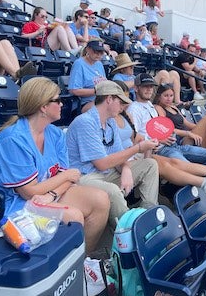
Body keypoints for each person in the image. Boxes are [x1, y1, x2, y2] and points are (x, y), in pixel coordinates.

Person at [0, 77, 110, 253]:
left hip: (43, 194)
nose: (62, 104)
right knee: (74, 216)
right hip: (7, 203)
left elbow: (70, 179)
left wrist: (52, 194)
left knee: (101, 200)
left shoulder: (55, 134)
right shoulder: (13, 139)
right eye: (57, 100)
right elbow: (28, 192)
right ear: (43, 106)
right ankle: (68, 267)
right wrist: (66, 176)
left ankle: (84, 260)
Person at [114, 80, 206, 201]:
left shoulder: (143, 109)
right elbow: (133, 144)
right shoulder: (139, 110)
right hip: (156, 149)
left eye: (171, 95)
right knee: (175, 163)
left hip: (162, 147)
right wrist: (155, 142)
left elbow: (140, 138)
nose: (125, 105)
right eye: (166, 95)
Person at [66, 80, 160, 228]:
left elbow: (119, 155)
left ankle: (149, 216)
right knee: (114, 191)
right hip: (84, 178)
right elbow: (101, 163)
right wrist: (138, 148)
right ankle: (130, 231)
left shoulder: (110, 122)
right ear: (109, 99)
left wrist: (126, 169)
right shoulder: (84, 122)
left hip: (105, 174)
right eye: (120, 101)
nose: (123, 106)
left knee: (150, 164)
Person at [127, 73, 206, 167]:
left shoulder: (149, 105)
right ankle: (203, 177)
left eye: (151, 87)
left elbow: (161, 128)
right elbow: (134, 137)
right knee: (189, 167)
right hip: (161, 149)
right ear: (136, 88)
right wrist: (159, 139)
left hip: (175, 145)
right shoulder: (135, 109)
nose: (149, 89)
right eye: (145, 86)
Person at [111, 52, 182, 104]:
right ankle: (165, 103)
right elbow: (120, 86)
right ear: (122, 69)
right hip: (140, 98)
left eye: (132, 66)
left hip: (146, 91)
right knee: (163, 73)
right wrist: (140, 81)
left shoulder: (133, 76)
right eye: (130, 67)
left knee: (174, 74)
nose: (132, 68)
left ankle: (177, 102)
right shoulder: (118, 76)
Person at [68, 39, 107, 112]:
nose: (99, 54)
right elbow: (74, 90)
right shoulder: (79, 64)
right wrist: (96, 91)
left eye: (101, 52)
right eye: (96, 51)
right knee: (107, 107)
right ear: (88, 49)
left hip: (101, 99)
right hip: (85, 103)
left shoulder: (99, 64)